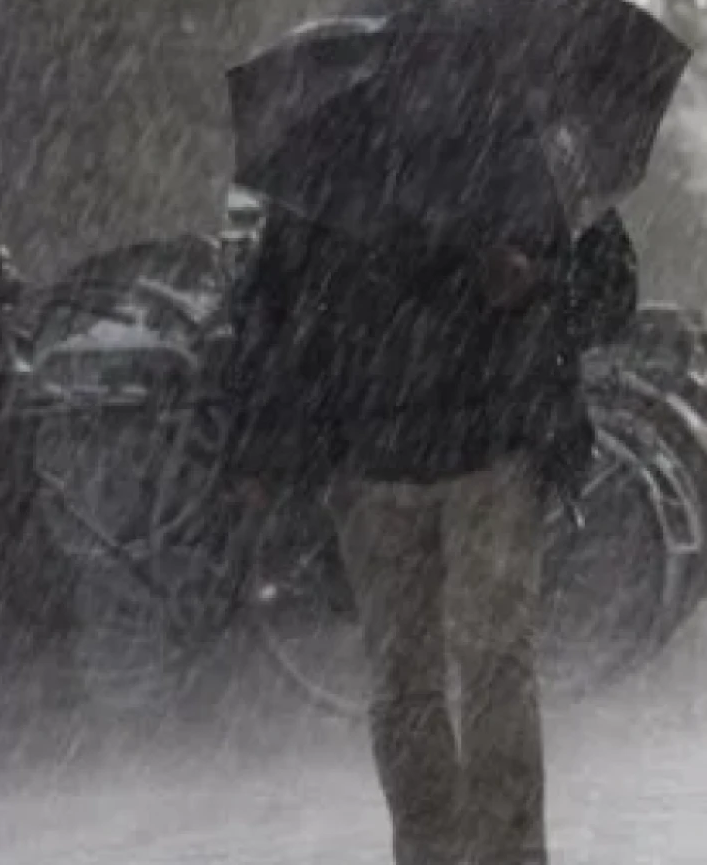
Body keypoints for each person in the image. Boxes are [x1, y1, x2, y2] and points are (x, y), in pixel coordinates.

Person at [222, 189, 637, 865]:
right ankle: (464, 849)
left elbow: (609, 290)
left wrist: (536, 283)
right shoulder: (521, 152)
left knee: (462, 668)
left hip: (467, 450)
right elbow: (276, 307)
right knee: (438, 673)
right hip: (399, 458)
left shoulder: (339, 163)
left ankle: (479, 851)